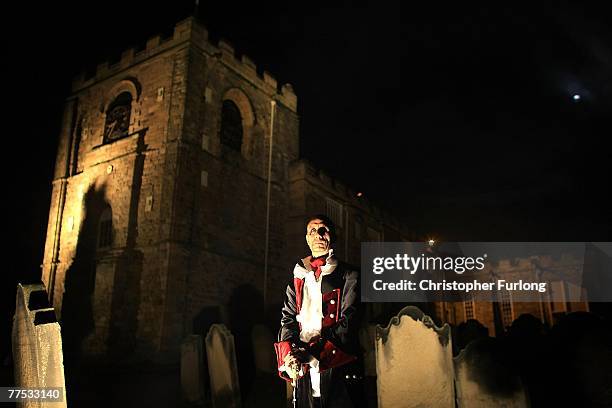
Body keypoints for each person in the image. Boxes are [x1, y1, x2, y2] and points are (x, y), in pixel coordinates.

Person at [274, 215, 362, 408]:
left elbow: (350, 322)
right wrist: (290, 355)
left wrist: (309, 353)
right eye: (312, 231)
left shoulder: (350, 275)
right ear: (307, 238)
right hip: (303, 368)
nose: (318, 235)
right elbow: (287, 320)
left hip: (338, 364)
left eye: (323, 230)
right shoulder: (297, 279)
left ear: (332, 236)